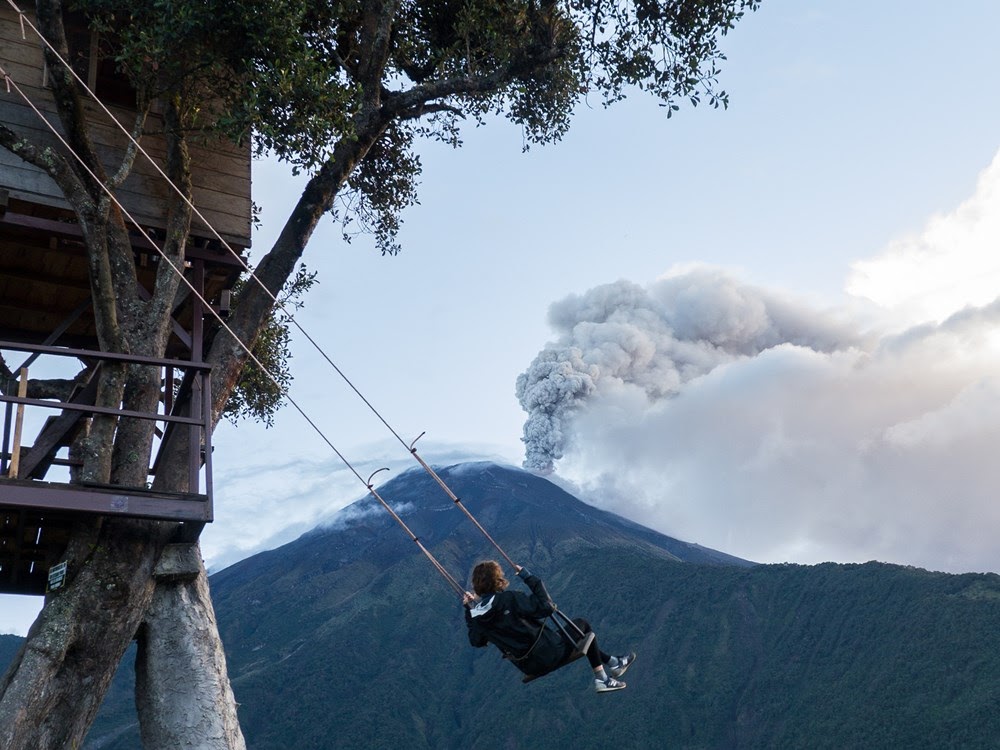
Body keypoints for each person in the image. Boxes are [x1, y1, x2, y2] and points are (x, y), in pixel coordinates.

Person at [462, 560, 636, 693]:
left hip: (529, 666)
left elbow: (476, 641)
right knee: (581, 625)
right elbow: (546, 607)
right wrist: (530, 578)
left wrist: (468, 610)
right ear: (497, 579)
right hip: (551, 652)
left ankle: (614, 662)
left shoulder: (477, 616)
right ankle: (602, 678)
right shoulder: (509, 599)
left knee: (573, 634)